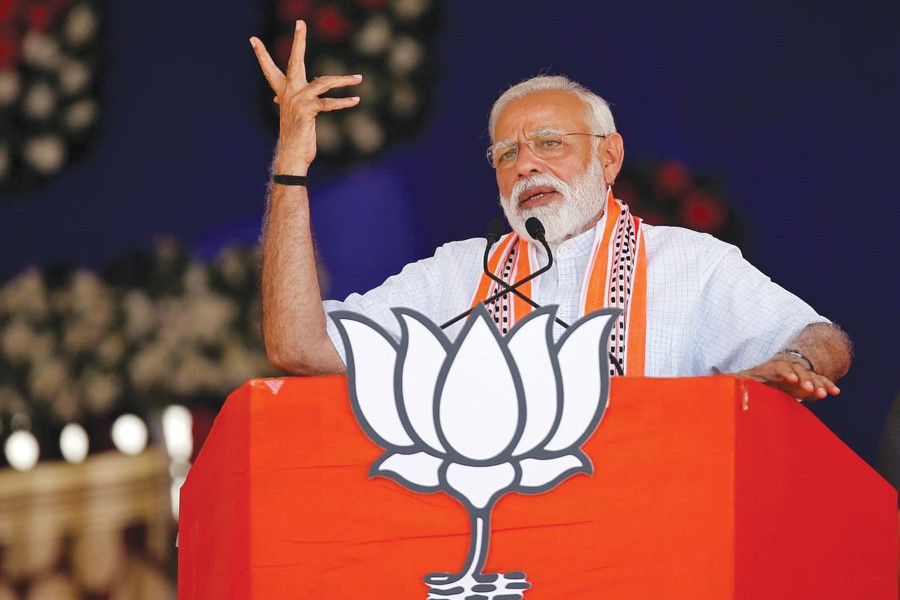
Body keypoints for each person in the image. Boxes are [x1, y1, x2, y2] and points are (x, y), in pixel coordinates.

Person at [249, 21, 852, 401]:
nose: (526, 166)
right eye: (506, 153)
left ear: (610, 158)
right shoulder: (457, 276)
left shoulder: (690, 263)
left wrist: (792, 363)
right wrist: (292, 165)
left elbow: (824, 338)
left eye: (550, 144)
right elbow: (301, 347)